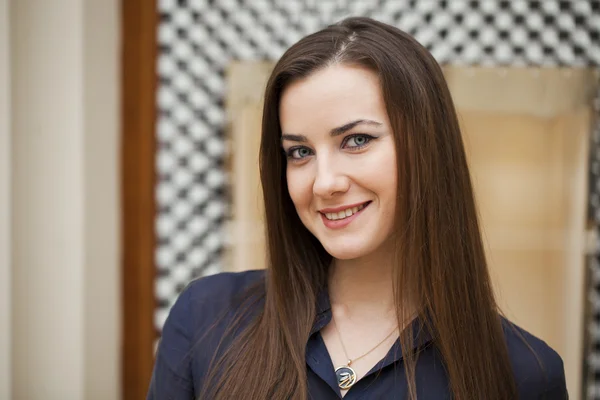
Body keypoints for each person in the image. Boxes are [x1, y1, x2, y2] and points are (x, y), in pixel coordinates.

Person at [147, 16, 567, 399]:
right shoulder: (206, 317)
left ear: (427, 147)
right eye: (300, 152)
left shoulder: (525, 374)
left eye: (357, 140)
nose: (324, 182)